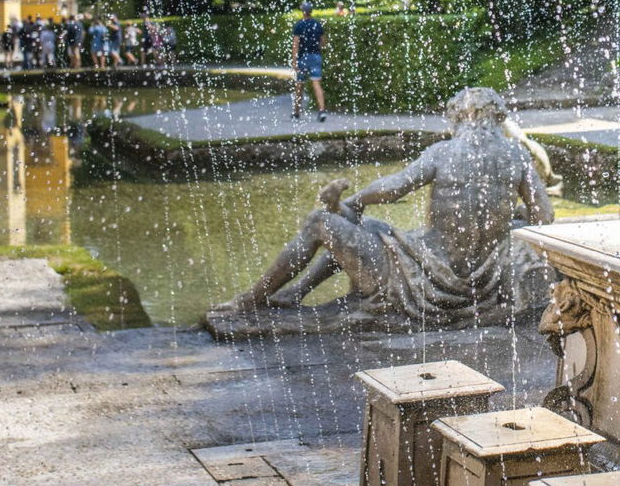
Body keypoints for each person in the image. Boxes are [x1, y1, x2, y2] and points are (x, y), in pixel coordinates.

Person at [208, 87, 552, 328]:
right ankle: (294, 293)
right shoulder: (517, 156)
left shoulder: (443, 153)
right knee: (371, 229)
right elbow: (544, 218)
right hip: (478, 281)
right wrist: (510, 221)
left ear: (461, 117)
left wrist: (355, 202)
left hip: (424, 284)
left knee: (319, 222)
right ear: (495, 118)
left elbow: (391, 188)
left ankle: (249, 301)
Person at [290, 3, 326, 121]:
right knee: (316, 83)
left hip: (303, 58)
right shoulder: (317, 24)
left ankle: (296, 112)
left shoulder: (299, 25)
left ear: (303, 12)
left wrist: (294, 61)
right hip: (316, 57)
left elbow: (295, 45)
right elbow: (323, 42)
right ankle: (321, 111)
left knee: (299, 85)